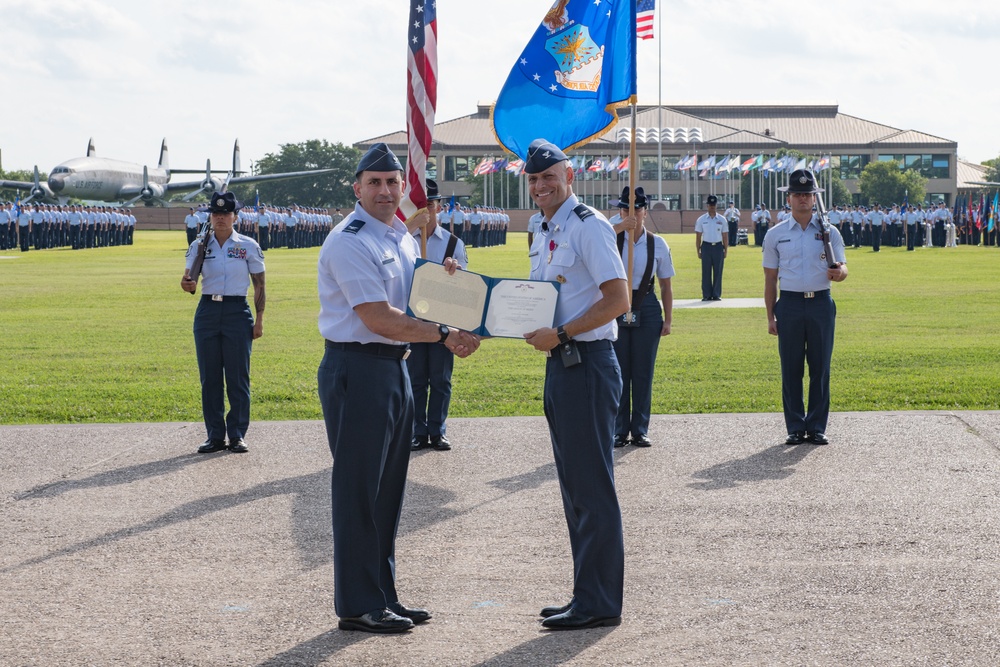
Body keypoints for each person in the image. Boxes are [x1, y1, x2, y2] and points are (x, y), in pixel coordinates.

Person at [317, 143, 479, 634]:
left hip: (394, 369)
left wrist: (449, 284)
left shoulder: (401, 238)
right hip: (358, 367)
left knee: (387, 493)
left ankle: (382, 594)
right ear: (358, 189)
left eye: (392, 182)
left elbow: (418, 300)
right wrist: (446, 335)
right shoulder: (350, 240)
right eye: (375, 183)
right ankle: (358, 604)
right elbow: (379, 318)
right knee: (359, 492)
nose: (386, 191)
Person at [522, 138, 629, 631]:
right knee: (575, 488)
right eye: (534, 179)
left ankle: (600, 601)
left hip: (586, 363)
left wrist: (561, 333)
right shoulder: (542, 228)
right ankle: (587, 592)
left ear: (570, 177)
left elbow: (618, 299)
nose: (541, 186)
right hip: (562, 365)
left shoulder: (588, 226)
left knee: (591, 488)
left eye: (549, 177)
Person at [763, 170, 848, 446]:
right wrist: (770, 317)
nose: (802, 199)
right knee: (791, 368)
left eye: (807, 194)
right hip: (788, 304)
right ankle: (796, 427)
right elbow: (770, 279)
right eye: (797, 194)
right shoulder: (775, 235)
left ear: (815, 198)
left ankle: (817, 426)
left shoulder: (829, 232)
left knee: (820, 367)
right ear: (789, 198)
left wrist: (840, 272)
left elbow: (842, 266)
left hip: (821, 303)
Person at [181, 192, 265, 454]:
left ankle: (237, 434)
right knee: (210, 378)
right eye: (216, 214)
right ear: (210, 217)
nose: (220, 218)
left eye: (225, 214)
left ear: (235, 217)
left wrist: (259, 319)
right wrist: (187, 284)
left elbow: (260, 284)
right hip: (207, 311)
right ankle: (215, 436)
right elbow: (189, 283)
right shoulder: (199, 246)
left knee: (238, 377)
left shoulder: (248, 245)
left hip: (237, 311)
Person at [610, 186, 674, 448]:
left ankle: (640, 429)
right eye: (626, 208)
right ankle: (618, 429)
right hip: (615, 306)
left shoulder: (657, 244)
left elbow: (666, 285)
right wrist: (620, 227)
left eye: (637, 208)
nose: (631, 213)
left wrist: (668, 320)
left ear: (646, 212)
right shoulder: (611, 238)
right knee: (619, 372)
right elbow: (595, 238)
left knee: (643, 371)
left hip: (646, 307)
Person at [409, 179, 469, 452]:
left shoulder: (453, 243)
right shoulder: (403, 240)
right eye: (420, 205)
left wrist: (455, 270)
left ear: (439, 208)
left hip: (443, 320)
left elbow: (465, 283)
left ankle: (438, 430)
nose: (426, 210)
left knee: (441, 379)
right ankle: (416, 430)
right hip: (412, 321)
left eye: (430, 205)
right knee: (415, 378)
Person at [695, 194, 727, 301]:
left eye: (714, 204)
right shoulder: (701, 219)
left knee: (718, 271)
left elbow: (725, 236)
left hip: (718, 246)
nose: (712, 206)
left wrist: (725, 249)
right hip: (706, 246)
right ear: (707, 206)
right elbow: (698, 236)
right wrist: (698, 250)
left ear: (716, 205)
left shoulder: (722, 219)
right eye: (710, 204)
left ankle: (716, 294)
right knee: (706, 271)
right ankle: (707, 294)